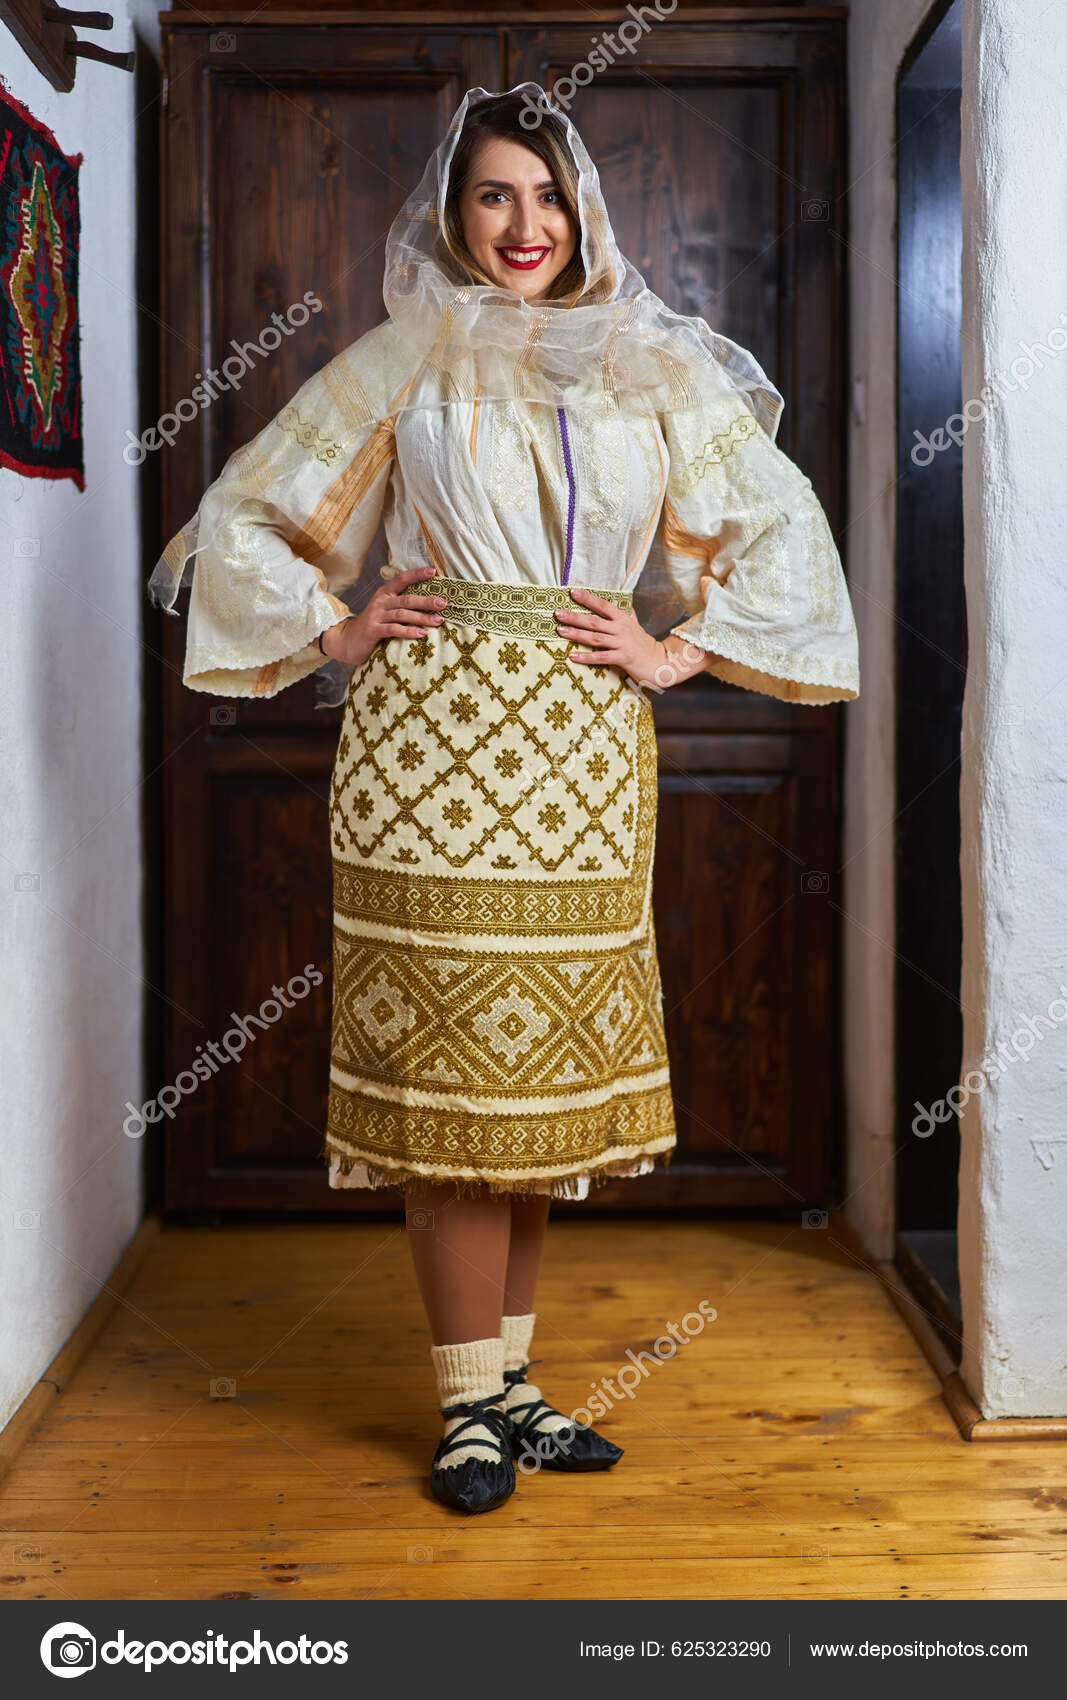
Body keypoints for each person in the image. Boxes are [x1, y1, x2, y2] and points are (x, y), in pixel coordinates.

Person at [148, 82, 860, 1516]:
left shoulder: (656, 366)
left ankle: (515, 1391)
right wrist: (339, 628)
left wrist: (678, 647)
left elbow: (778, 523)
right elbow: (241, 513)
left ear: (582, 208)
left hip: (590, 763)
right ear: (453, 213)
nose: (524, 224)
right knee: (453, 1093)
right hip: (427, 754)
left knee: (533, 1095)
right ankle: (468, 1405)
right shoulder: (402, 359)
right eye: (494, 195)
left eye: (547, 196)